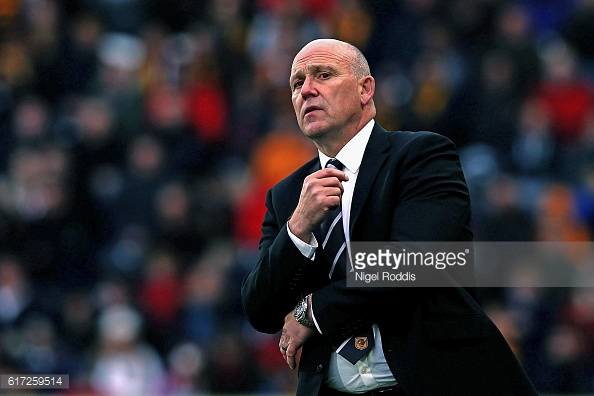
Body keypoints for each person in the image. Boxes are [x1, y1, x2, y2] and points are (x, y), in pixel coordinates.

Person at [241, 38, 539, 396]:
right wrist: (297, 228)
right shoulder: (288, 196)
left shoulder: (422, 155)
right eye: (296, 83)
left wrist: (313, 310)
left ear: (365, 89)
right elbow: (260, 309)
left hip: (436, 383)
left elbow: (412, 260)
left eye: (323, 75)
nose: (307, 90)